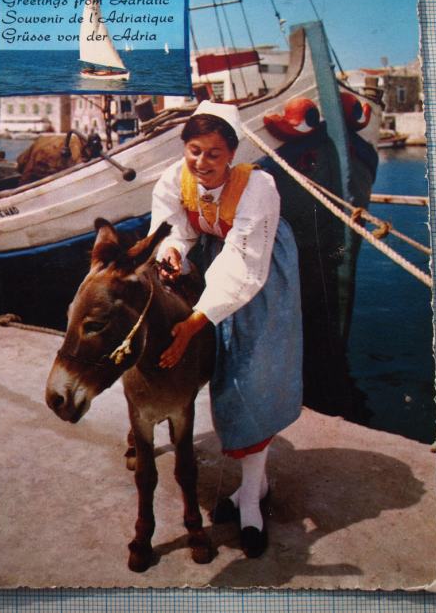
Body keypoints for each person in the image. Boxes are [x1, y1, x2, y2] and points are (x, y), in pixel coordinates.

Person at [149, 100, 303, 558]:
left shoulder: (259, 188)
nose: (202, 162)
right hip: (215, 263)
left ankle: (251, 498)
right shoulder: (174, 178)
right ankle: (256, 484)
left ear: (232, 154)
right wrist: (172, 251)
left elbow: (244, 264)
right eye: (194, 150)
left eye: (214, 154)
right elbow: (174, 230)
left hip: (260, 274)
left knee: (252, 378)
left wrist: (197, 320)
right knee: (218, 375)